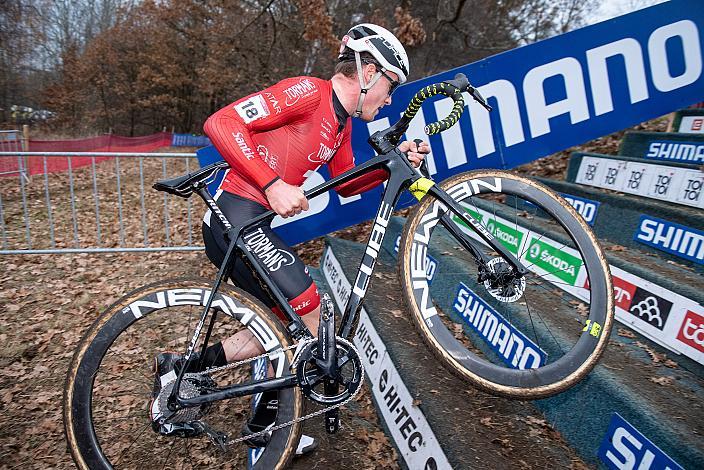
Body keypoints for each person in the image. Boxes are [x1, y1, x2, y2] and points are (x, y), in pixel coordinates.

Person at [151, 23, 429, 454]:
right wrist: (272, 183)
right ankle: (268, 425)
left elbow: (347, 184)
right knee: (312, 313)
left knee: (286, 324)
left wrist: (393, 165)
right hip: (234, 218)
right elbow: (221, 123)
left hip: (251, 226)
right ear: (369, 72)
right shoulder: (307, 92)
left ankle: (183, 368)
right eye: (391, 87)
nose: (390, 99)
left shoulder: (339, 125)